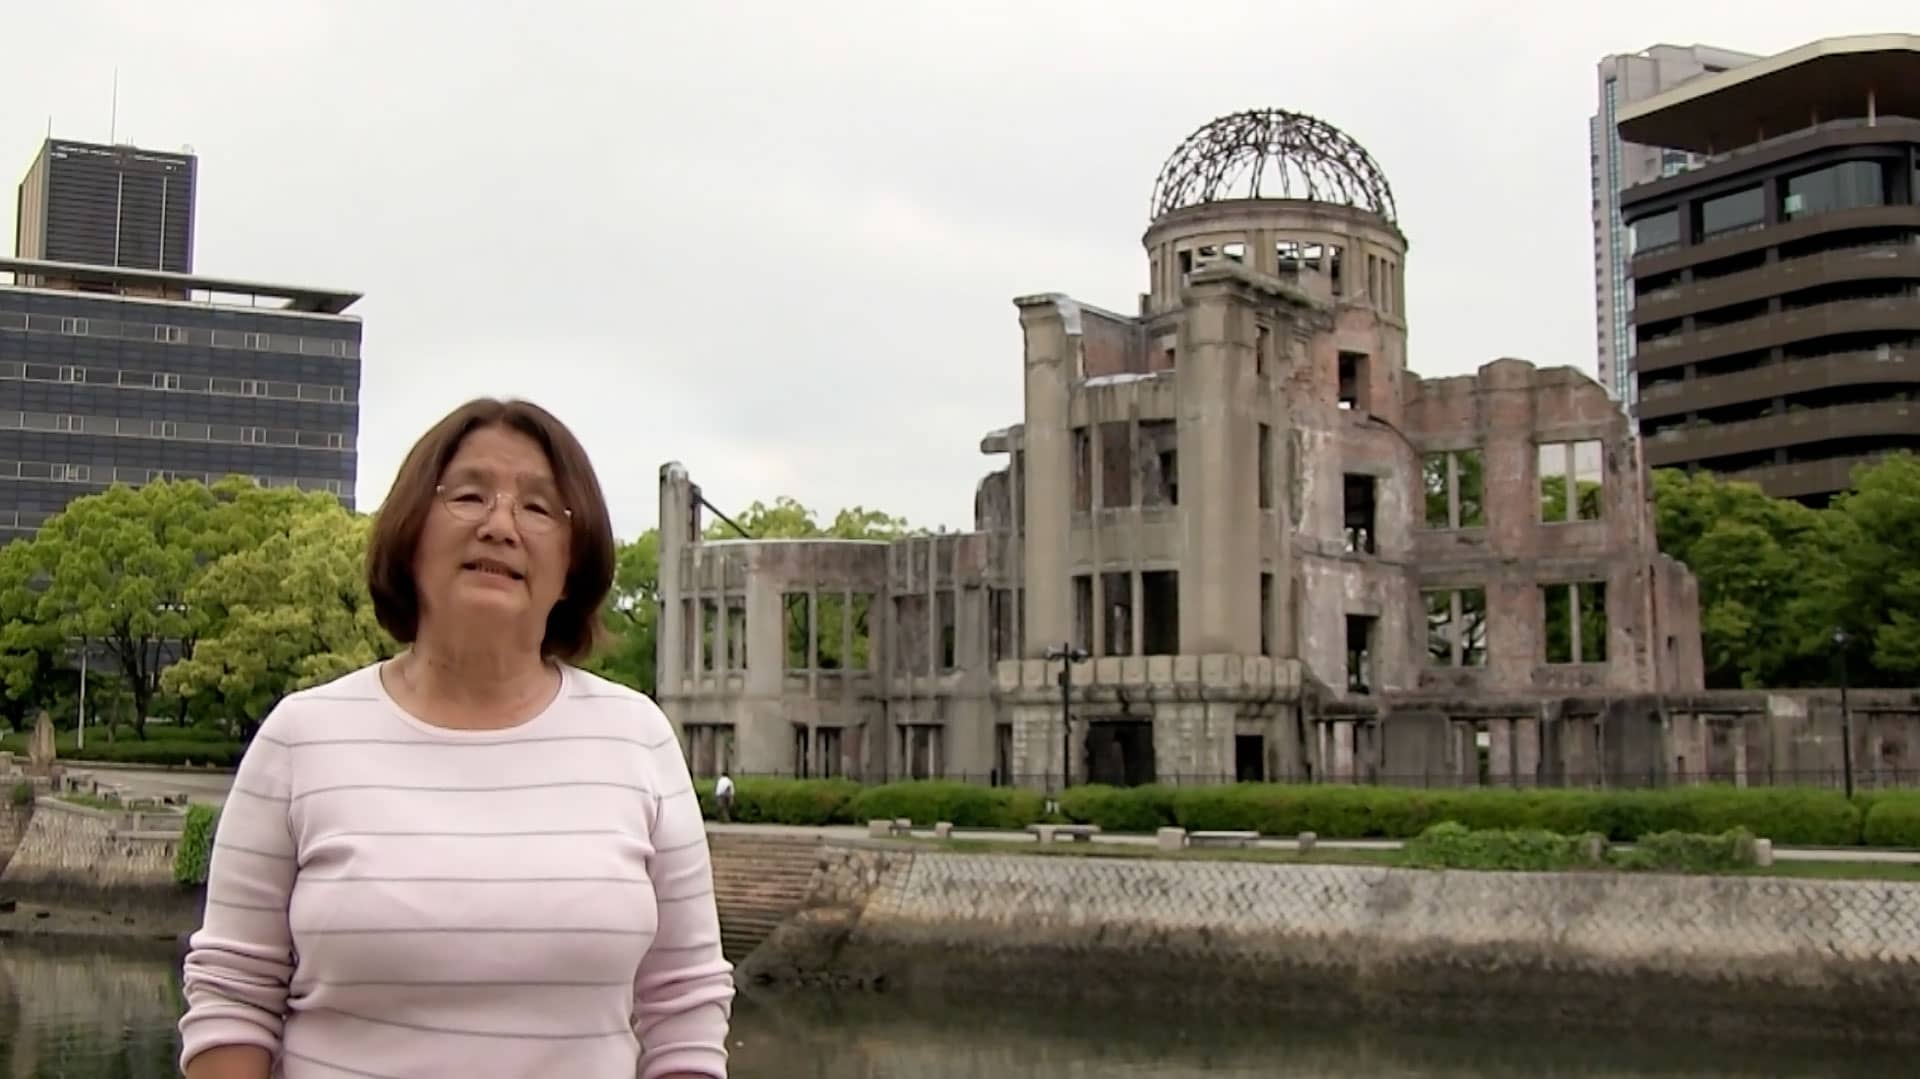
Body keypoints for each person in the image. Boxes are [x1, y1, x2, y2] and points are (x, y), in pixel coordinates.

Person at [177, 398, 733, 1079]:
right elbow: (233, 996)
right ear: (410, 533)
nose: (500, 525)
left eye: (537, 507)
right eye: (469, 495)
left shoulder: (637, 738)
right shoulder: (302, 736)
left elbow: (684, 1007)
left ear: (573, 559)